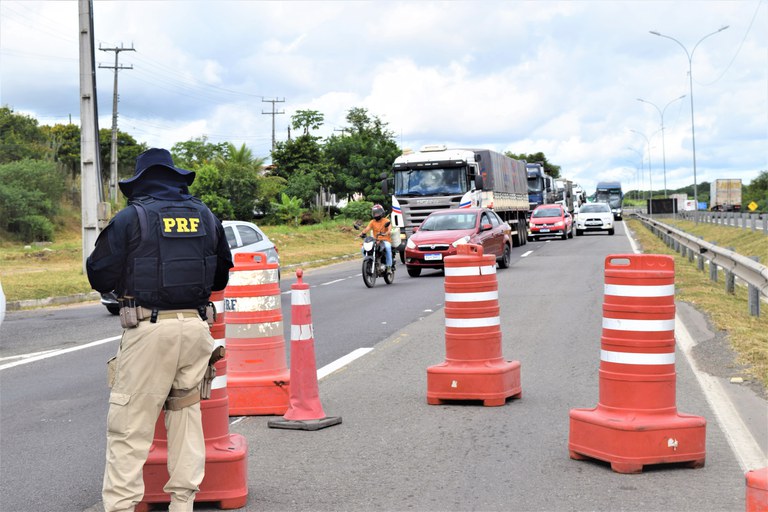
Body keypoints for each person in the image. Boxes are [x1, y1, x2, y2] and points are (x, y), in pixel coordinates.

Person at [86, 148, 233, 512]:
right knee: (185, 419)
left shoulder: (132, 218)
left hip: (150, 330)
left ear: (140, 183)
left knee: (129, 428)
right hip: (198, 329)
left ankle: (121, 507)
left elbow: (99, 274)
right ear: (175, 179)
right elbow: (221, 274)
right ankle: (182, 504)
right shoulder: (205, 215)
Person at [360, 204, 393, 270]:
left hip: (385, 240)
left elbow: (389, 230)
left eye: (377, 213)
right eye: (374, 213)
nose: (376, 215)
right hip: (376, 240)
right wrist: (362, 233)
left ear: (382, 212)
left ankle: (389, 266)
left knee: (387, 247)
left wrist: (386, 233)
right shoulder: (372, 222)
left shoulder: (386, 221)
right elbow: (367, 229)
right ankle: (368, 262)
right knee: (363, 248)